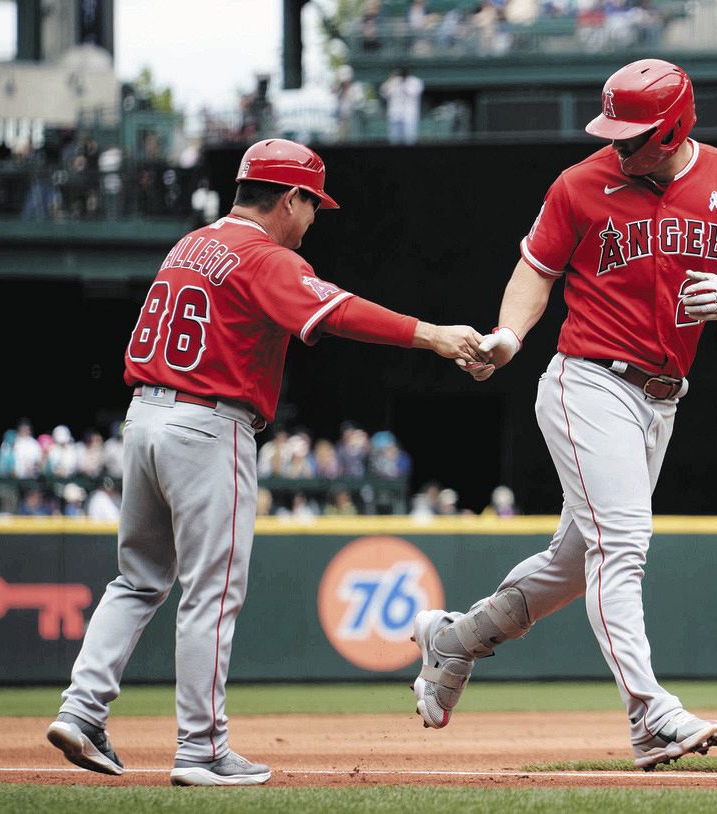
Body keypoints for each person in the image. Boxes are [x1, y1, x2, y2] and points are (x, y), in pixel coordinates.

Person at [47, 138, 484, 787]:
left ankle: (81, 709)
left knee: (137, 580)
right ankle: (201, 749)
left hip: (142, 417)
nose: (312, 221)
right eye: (312, 206)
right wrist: (432, 335)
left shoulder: (189, 244)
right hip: (207, 424)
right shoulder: (262, 254)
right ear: (290, 198)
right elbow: (337, 311)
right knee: (212, 594)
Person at [411, 59, 717, 771]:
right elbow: (537, 268)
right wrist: (508, 337)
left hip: (661, 401)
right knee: (622, 547)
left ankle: (454, 639)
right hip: (586, 381)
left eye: (636, 136)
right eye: (614, 133)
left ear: (678, 126)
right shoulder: (580, 183)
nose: (620, 148)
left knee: (571, 566)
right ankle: (649, 714)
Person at [380, 65, 424, 145]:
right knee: (394, 142)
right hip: (395, 115)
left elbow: (412, 92)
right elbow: (384, 93)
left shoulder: (415, 81)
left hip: (409, 116)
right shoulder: (394, 81)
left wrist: (404, 82)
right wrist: (391, 78)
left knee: (410, 141)